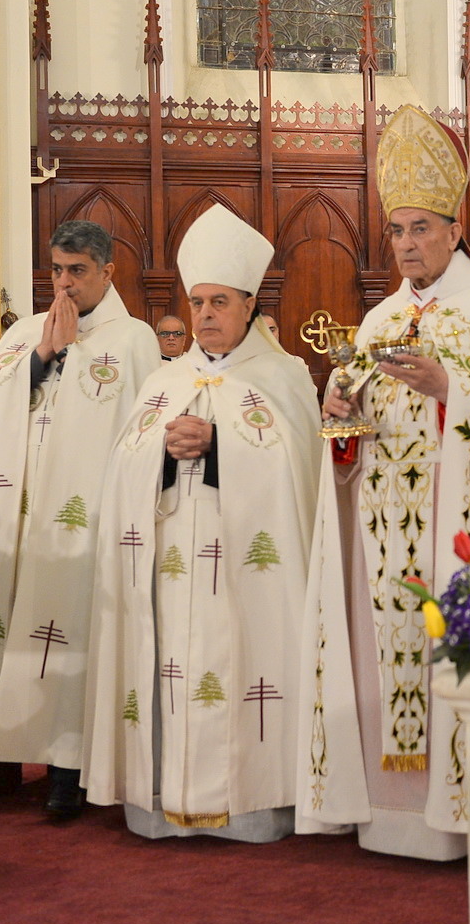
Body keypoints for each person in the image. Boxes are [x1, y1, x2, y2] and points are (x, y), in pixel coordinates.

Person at [299, 104, 470, 859]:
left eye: (420, 229)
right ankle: (394, 813)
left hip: (461, 536)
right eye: (397, 231)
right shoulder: (375, 324)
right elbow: (347, 447)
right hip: (385, 540)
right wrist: (338, 413)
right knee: (388, 653)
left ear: (455, 230)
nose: (406, 245)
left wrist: (453, 387)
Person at [84, 205, 319, 842]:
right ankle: (167, 801)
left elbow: (299, 473)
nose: (207, 314)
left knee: (245, 669)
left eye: (220, 301)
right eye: (198, 301)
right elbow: (123, 465)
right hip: (169, 568)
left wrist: (221, 445)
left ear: (249, 306)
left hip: (248, 572)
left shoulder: (284, 376)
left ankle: (251, 804)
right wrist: (160, 450)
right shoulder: (163, 381)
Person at [0, 220, 159, 818]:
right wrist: (43, 355)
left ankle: (68, 767)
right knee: (12, 623)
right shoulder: (28, 332)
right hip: (21, 514)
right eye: (56, 269)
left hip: (84, 521)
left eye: (77, 271)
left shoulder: (133, 340)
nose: (63, 283)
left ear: (108, 273)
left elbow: (140, 431)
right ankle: (7, 741)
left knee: (71, 636)